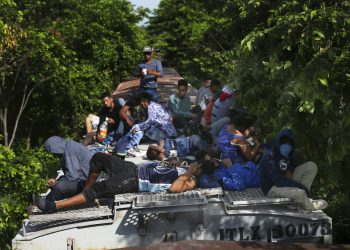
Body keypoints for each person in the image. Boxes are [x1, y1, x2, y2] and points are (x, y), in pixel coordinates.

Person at [33, 153, 215, 213]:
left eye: (196, 165)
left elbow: (175, 189)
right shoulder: (185, 171)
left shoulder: (191, 181)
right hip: (132, 168)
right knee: (98, 158)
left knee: (100, 188)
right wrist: (174, 163)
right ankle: (86, 193)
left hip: (134, 181)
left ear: (199, 170)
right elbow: (165, 166)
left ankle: (53, 206)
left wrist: (190, 172)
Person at [258, 129, 328, 210]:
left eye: (289, 144)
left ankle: (298, 201)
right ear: (278, 142)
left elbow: (292, 164)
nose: (287, 146)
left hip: (285, 179)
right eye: (284, 143)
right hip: (272, 187)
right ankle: (309, 205)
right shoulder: (269, 157)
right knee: (299, 193)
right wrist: (301, 187)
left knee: (311, 166)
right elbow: (278, 181)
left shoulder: (289, 153)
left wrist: (290, 171)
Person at [115, 93, 177, 157]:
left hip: (165, 134)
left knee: (138, 128)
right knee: (139, 128)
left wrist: (137, 127)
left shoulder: (152, 108)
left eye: (141, 103)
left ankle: (129, 148)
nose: (141, 105)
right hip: (164, 132)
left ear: (145, 102)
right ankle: (125, 146)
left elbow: (149, 123)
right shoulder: (153, 105)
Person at [44, 136, 94, 201]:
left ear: (55, 148)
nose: (54, 155)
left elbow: (73, 177)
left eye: (52, 152)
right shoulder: (69, 146)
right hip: (86, 179)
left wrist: (56, 182)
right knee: (58, 186)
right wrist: (57, 180)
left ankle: (48, 202)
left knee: (60, 187)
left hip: (89, 182)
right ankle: (48, 200)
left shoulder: (69, 152)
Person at [196, 145, 260, 191]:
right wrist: (230, 167)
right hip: (260, 177)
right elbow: (240, 185)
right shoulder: (218, 176)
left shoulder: (222, 164)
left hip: (257, 168)